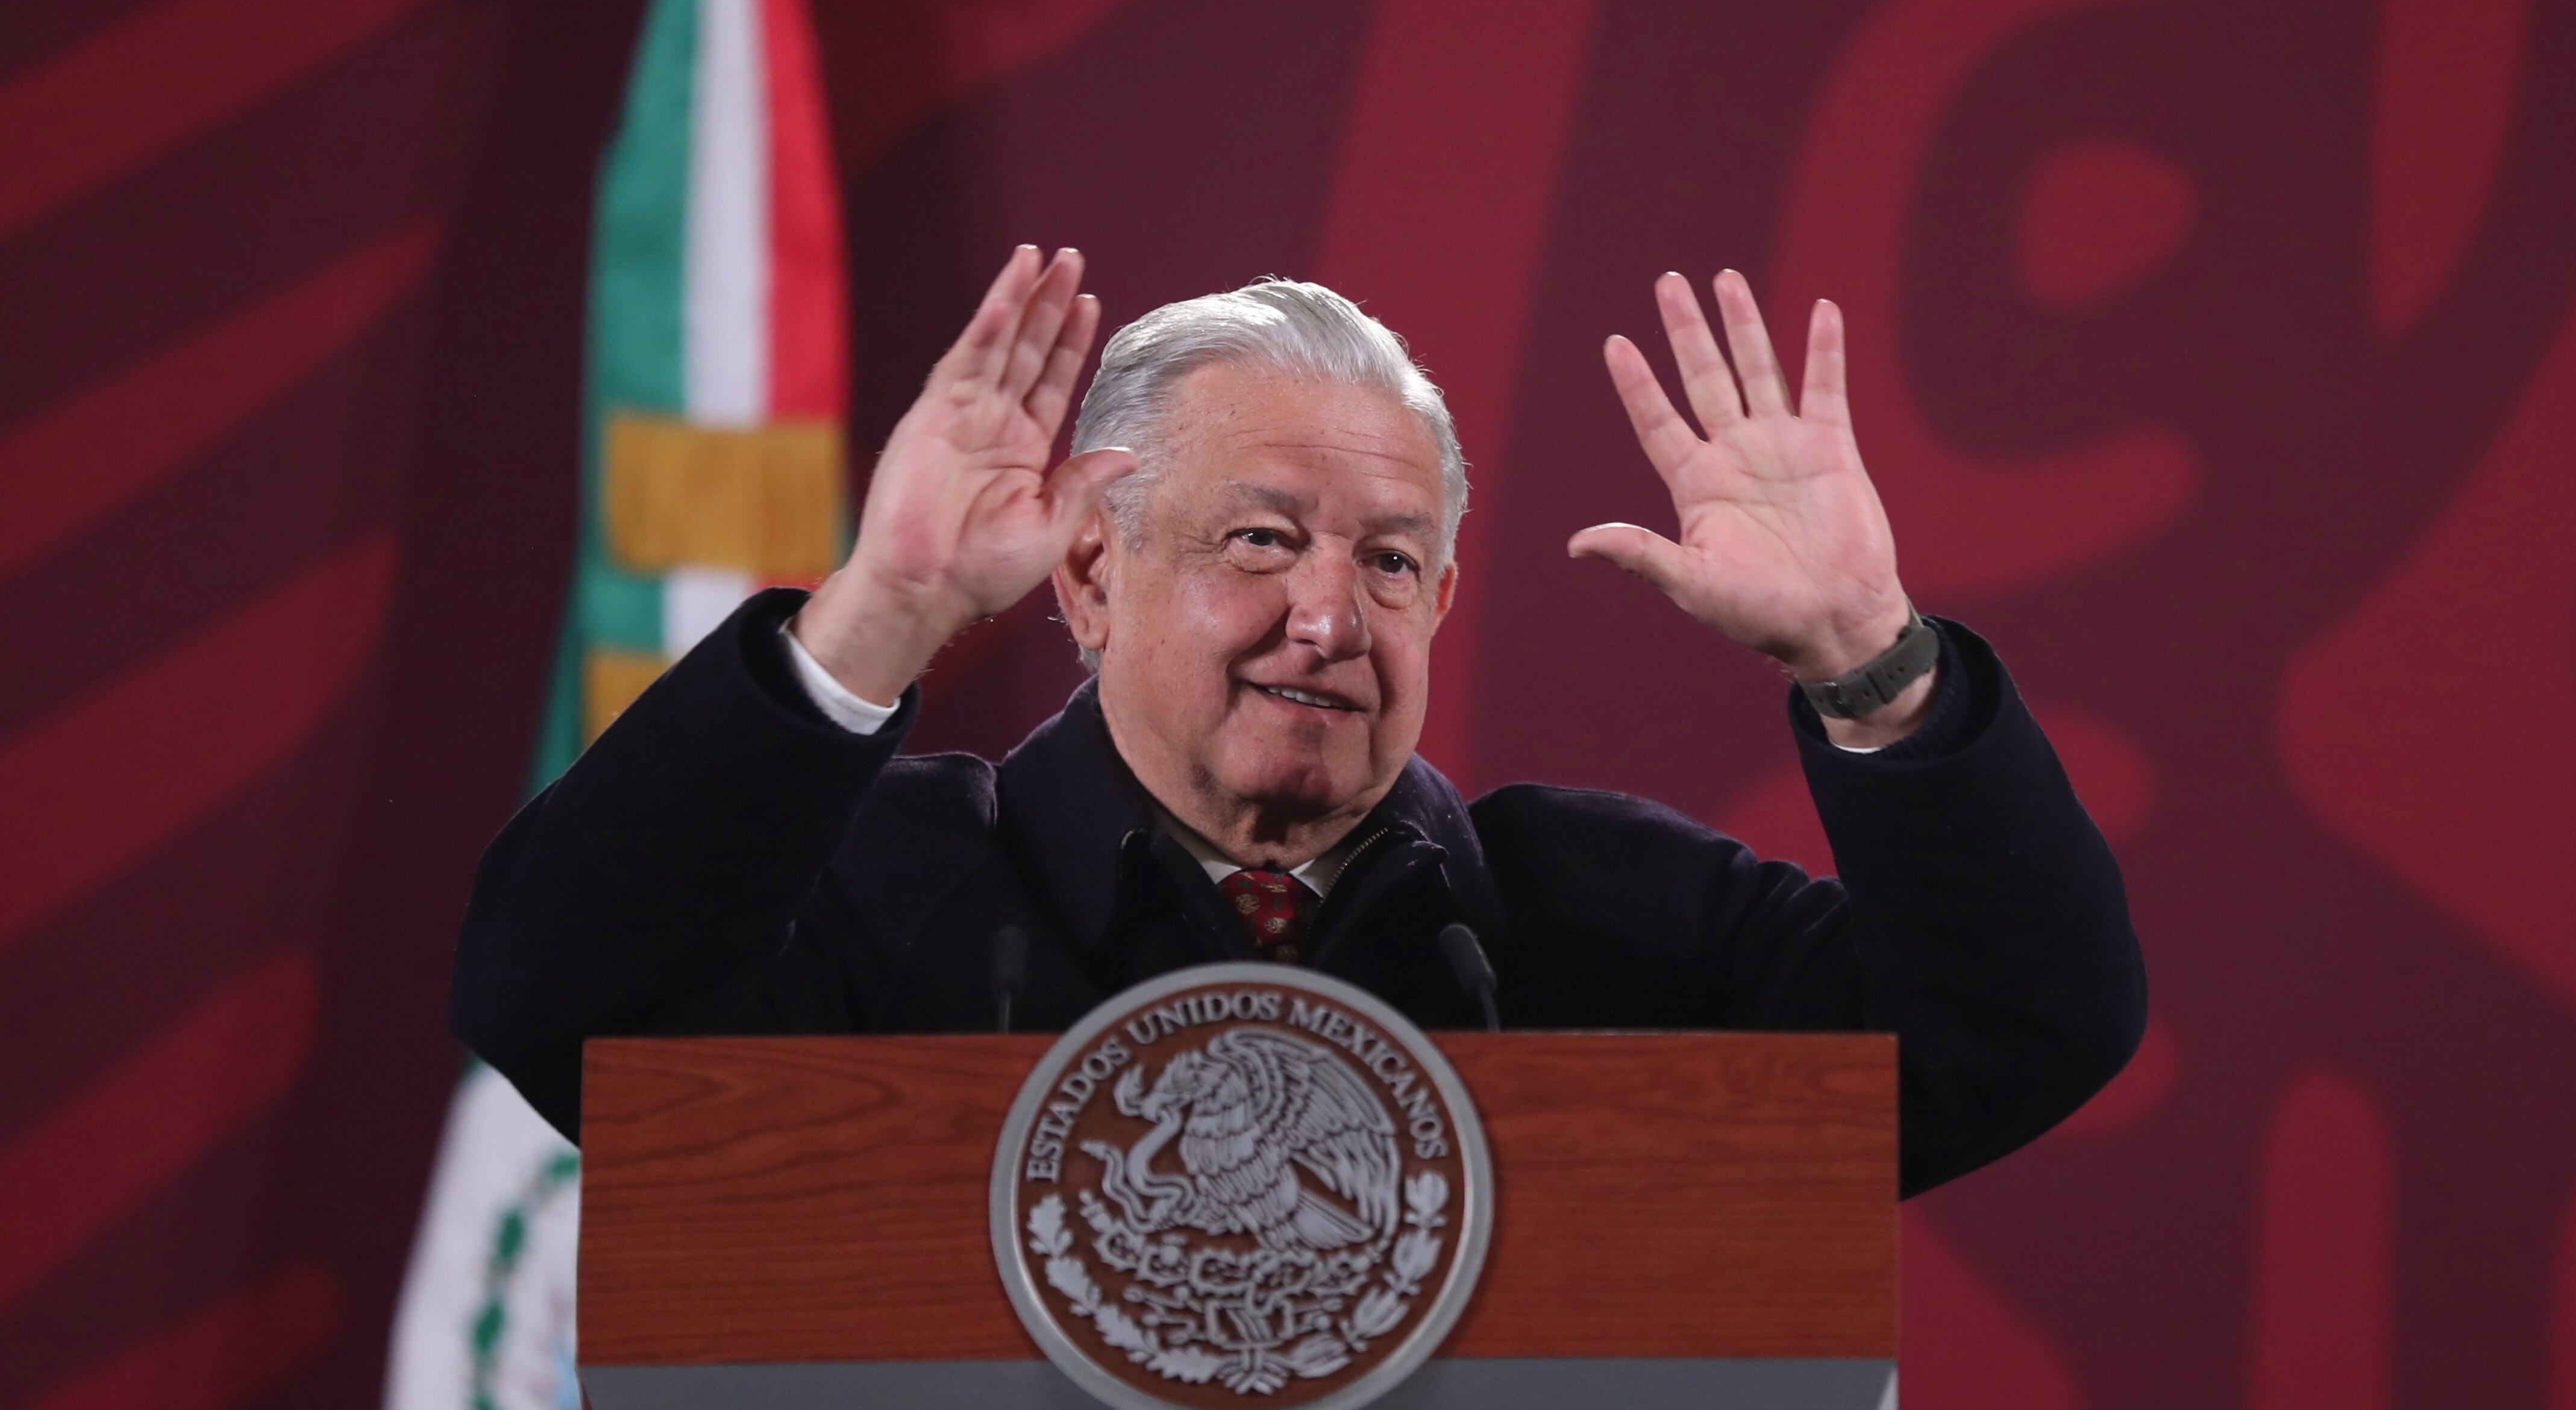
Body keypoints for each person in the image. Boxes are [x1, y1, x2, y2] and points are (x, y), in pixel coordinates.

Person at [452, 246, 2143, 1194]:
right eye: (1258, 539)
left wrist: (1866, 650)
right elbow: (559, 999)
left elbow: (2017, 1030)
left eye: (1391, 559)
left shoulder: (1594, 919)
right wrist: (878, 614)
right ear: (1092, 571)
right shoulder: (877, 881)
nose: (1328, 614)